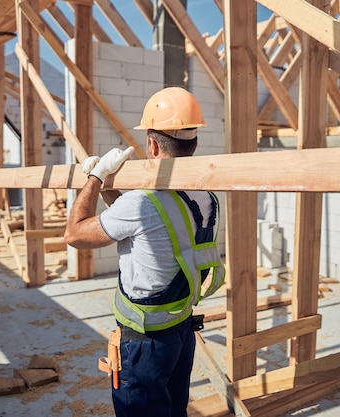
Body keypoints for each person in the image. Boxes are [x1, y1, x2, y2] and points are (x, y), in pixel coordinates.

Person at [64, 87, 226, 417]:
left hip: (145, 344)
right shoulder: (206, 196)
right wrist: (111, 190)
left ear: (151, 143)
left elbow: (74, 234)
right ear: (194, 143)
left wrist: (96, 176)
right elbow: (151, 225)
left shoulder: (140, 204)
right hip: (181, 334)